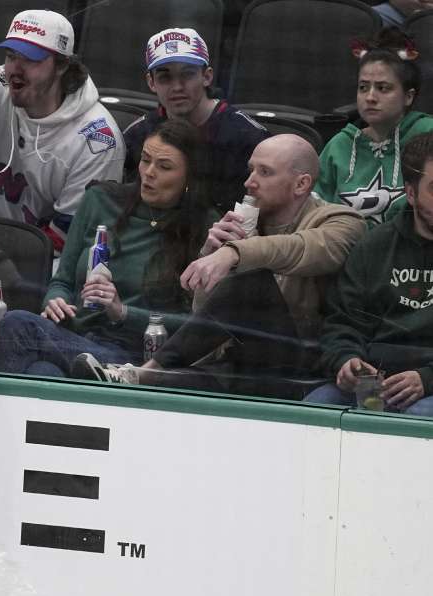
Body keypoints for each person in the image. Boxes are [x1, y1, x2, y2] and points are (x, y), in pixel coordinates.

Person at [75, 135, 368, 398]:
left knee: (252, 281)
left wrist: (233, 255)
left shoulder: (342, 222)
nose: (249, 182)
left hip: (303, 363)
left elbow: (300, 249)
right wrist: (210, 252)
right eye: (251, 169)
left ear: (302, 184)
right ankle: (137, 378)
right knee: (167, 387)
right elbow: (204, 316)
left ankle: (143, 371)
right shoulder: (245, 224)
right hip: (240, 362)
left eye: (264, 172)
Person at [0, 118, 213, 377]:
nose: (149, 172)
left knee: (18, 324)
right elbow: (62, 280)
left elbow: (198, 327)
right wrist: (55, 300)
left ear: (188, 178)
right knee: (43, 372)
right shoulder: (101, 201)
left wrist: (123, 313)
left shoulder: (204, 230)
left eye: (164, 167)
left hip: (133, 358)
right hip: (72, 337)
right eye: (146, 159)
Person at [0, 9, 125, 253]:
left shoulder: (97, 138)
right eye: (11, 56)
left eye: (31, 59)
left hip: (53, 264)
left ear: (62, 65)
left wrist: (2, 258)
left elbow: (70, 234)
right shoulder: (1, 79)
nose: (15, 69)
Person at [303, 132, 433, 415]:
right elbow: (342, 322)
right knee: (316, 408)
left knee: (417, 417)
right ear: (410, 193)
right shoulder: (375, 246)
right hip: (375, 380)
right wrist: (346, 361)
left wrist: (426, 378)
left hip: (428, 385)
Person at [122, 27, 269, 213]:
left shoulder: (249, 138)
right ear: (151, 82)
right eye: (165, 76)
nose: (177, 87)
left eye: (187, 74)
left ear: (207, 76)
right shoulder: (137, 135)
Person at [316, 29, 433, 225]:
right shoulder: (340, 146)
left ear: (408, 96)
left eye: (383, 88)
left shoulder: (427, 134)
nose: (370, 97)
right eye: (363, 87)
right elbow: (314, 210)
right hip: (345, 250)